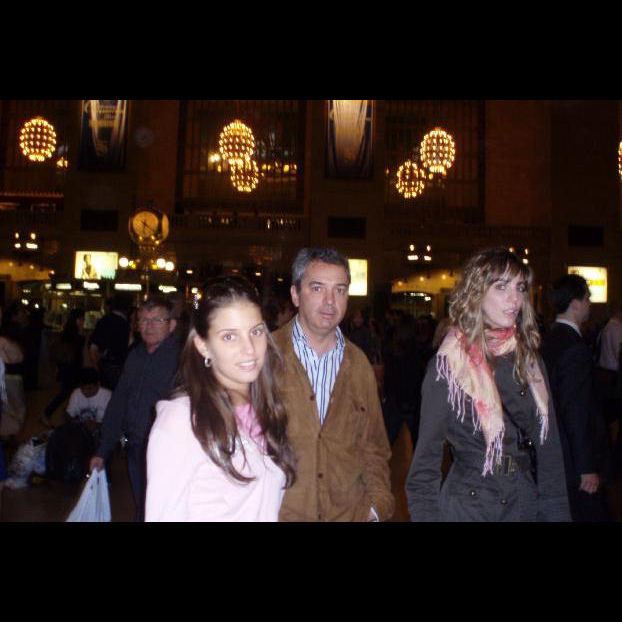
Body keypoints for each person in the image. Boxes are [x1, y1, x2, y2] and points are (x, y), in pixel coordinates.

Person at [406, 248, 570, 522]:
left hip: (523, 502)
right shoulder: (448, 366)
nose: (514, 298)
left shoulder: (530, 361)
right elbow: (424, 469)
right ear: (477, 292)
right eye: (501, 287)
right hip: (470, 507)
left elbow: (550, 454)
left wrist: (557, 514)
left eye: (520, 287)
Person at [145, 276, 296, 521]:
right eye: (229, 336)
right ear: (203, 345)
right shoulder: (181, 422)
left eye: (256, 331)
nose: (249, 348)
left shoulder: (266, 410)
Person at [272, 248, 394, 522]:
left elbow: (374, 447)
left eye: (340, 290)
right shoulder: (266, 356)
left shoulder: (359, 365)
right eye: (317, 288)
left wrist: (375, 508)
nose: (330, 301)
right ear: (295, 294)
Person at [89, 297, 180, 521]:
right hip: (136, 445)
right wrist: (103, 449)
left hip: (169, 451)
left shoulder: (183, 360)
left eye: (157, 320)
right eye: (143, 320)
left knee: (162, 507)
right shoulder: (135, 355)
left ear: (171, 325)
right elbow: (119, 402)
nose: (149, 326)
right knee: (142, 503)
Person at [541, 274, 610, 521]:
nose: (590, 304)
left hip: (558, 452)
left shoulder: (551, 339)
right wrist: (586, 467)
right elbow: (575, 411)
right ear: (575, 303)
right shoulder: (573, 347)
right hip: (574, 461)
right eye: (587, 298)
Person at [42, 309, 86, 427]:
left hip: (66, 367)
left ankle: (64, 415)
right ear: (77, 320)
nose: (83, 321)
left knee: (67, 393)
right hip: (73, 368)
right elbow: (79, 351)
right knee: (67, 393)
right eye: (81, 319)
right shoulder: (76, 335)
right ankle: (50, 413)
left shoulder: (67, 333)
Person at [88, 294, 130, 390]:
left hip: (105, 365)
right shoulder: (125, 323)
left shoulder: (104, 320)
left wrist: (96, 366)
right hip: (119, 366)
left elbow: (93, 347)